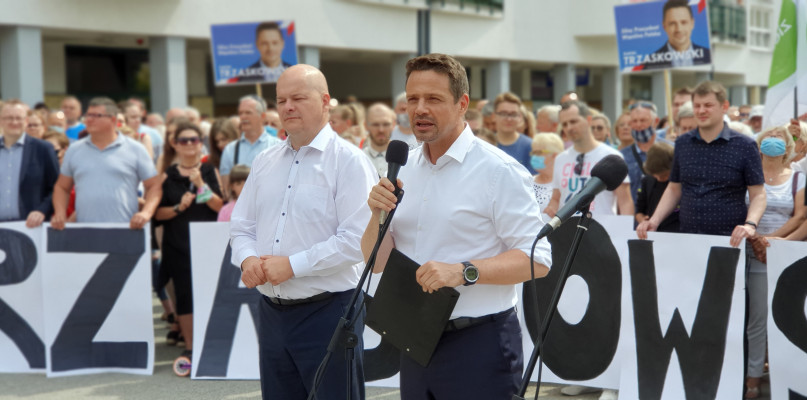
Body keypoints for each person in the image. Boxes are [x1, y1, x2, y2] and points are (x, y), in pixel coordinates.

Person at [362, 53, 552, 400]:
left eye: (433, 99)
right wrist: (376, 213)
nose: (419, 109)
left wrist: (463, 271)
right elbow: (376, 262)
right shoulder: (402, 167)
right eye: (413, 99)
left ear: (462, 103)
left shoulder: (499, 171)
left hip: (479, 342)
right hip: (414, 338)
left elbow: (538, 259)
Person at [231, 64, 377, 399]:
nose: (287, 107)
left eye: (298, 97)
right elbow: (241, 226)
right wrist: (247, 259)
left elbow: (356, 242)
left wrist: (292, 265)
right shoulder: (264, 161)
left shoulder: (349, 162)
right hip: (271, 312)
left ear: (326, 101)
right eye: (281, 100)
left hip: (328, 313)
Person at [637, 81, 765, 248]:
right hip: (688, 239)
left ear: (724, 106)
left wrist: (750, 225)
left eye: (708, 105)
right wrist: (654, 220)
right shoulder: (683, 143)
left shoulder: (745, 145)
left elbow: (758, 194)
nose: (701, 110)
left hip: (730, 241)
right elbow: (674, 188)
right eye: (697, 106)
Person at [742, 126, 806, 398]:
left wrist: (771, 239)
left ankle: (787, 376)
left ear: (788, 148)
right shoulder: (749, 174)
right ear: (759, 145)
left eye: (779, 141)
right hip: (750, 251)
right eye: (768, 140)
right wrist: (756, 238)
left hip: (783, 253)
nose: (773, 144)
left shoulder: (797, 177)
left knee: (786, 316)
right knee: (756, 319)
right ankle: (753, 376)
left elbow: (800, 216)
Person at [155, 122, 223, 363]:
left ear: (200, 142)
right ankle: (191, 346)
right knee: (184, 295)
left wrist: (201, 185)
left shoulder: (208, 170)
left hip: (206, 243)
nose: (189, 145)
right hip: (178, 244)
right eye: (183, 140)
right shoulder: (167, 176)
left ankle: (212, 343)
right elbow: (157, 214)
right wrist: (177, 208)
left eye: (193, 139)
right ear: (175, 144)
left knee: (209, 293)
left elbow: (219, 207)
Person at [52, 97, 162, 230]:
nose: (89, 119)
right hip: (85, 233)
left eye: (97, 116)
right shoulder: (74, 150)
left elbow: (154, 186)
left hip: (126, 231)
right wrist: (60, 213)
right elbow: (62, 187)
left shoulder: (135, 149)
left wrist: (146, 213)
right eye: (88, 115)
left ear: (113, 120)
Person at [545, 100, 634, 219]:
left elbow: (625, 202)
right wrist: (551, 208)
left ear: (588, 120)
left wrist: (625, 233)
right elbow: (556, 198)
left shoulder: (611, 156)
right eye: (564, 124)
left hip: (602, 230)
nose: (569, 127)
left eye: (573, 121)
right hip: (568, 231)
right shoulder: (560, 159)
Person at [0, 100, 60, 227]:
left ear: (26, 121)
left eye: (18, 118)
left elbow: (57, 187)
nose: (14, 122)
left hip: (31, 228)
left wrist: (42, 210)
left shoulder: (43, 149)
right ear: (1, 121)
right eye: (9, 118)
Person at [219, 95, 282, 197]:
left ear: (262, 116)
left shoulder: (278, 146)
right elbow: (227, 190)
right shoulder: (230, 150)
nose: (243, 117)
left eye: (248, 113)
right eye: (240, 113)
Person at [621, 101, 674, 203]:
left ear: (656, 121)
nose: (639, 125)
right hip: (634, 215)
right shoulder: (622, 155)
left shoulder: (670, 149)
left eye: (643, 120)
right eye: (634, 121)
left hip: (665, 214)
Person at [641, 0, 711, 69]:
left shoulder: (708, 55)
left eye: (683, 22)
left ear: (692, 23)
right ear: (664, 26)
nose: (679, 29)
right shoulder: (650, 62)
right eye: (672, 23)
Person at [635, 142, 679, 232]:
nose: (659, 179)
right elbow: (639, 211)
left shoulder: (679, 183)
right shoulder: (647, 181)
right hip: (654, 232)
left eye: (664, 175)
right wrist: (643, 220)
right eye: (655, 175)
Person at [494, 92, 536, 174]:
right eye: (503, 114)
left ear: (519, 117)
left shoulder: (531, 146)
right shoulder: (486, 143)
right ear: (494, 115)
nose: (509, 119)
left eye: (513, 114)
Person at [531, 132, 565, 211]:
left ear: (555, 156)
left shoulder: (564, 184)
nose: (534, 156)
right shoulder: (528, 181)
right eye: (533, 152)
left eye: (539, 153)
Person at [362, 103, 395, 177]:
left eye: (386, 124)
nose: (381, 130)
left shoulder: (405, 159)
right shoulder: (359, 158)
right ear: (365, 126)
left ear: (393, 125)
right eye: (375, 124)